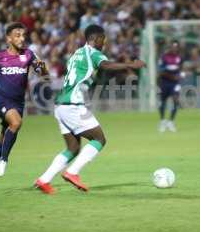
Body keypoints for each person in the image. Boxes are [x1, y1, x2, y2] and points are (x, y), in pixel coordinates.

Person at [35, 24, 145, 194]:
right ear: (95, 39)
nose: (105, 43)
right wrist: (131, 65)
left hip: (61, 106)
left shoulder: (75, 55)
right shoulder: (92, 52)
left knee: (72, 148)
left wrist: (123, 74)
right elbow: (106, 66)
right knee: (99, 139)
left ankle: (44, 180)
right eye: (103, 40)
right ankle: (72, 172)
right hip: (73, 105)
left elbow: (96, 75)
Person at [0, 22, 48, 187]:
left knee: (4, 138)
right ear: (8, 38)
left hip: (18, 103)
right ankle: (3, 160)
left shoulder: (29, 55)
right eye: (17, 35)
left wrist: (42, 68)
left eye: (23, 35)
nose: (22, 38)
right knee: (16, 123)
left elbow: (44, 73)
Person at [158, 40, 183, 132]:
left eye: (176, 47)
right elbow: (161, 72)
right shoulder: (164, 57)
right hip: (165, 82)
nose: (174, 49)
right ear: (170, 47)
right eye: (173, 47)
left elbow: (180, 69)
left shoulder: (179, 58)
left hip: (175, 84)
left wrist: (181, 75)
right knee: (162, 102)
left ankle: (171, 122)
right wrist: (174, 77)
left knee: (176, 100)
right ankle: (162, 121)